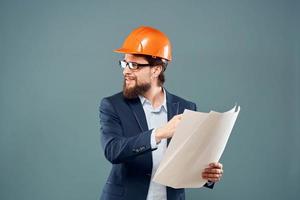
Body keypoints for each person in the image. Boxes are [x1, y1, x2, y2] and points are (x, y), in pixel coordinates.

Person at [99, 26, 223, 200]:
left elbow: (190, 161)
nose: (125, 70)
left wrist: (207, 175)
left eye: (133, 65)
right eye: (124, 63)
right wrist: (160, 133)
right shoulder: (113, 105)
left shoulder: (186, 108)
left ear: (156, 69)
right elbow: (113, 151)